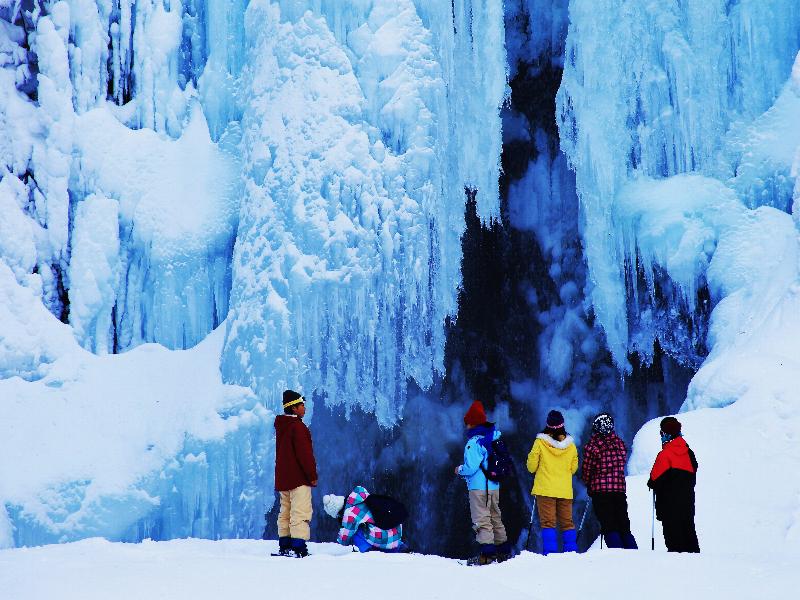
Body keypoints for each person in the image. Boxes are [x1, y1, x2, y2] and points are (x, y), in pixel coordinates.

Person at [454, 400, 511, 565]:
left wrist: (459, 469)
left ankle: (487, 556)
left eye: (467, 424)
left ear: (472, 423)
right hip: (493, 486)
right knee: (495, 517)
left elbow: (471, 467)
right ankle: (504, 552)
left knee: (481, 520)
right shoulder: (494, 437)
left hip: (479, 488)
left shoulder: (474, 443)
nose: (466, 427)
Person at [581, 412, 637, 549]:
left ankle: (617, 554)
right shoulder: (620, 444)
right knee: (623, 524)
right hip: (619, 490)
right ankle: (633, 553)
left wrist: (588, 483)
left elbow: (587, 469)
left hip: (601, 492)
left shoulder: (593, 446)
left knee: (609, 524)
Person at [526, 409, 578, 554]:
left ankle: (550, 554)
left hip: (545, 489)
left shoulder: (540, 443)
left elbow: (531, 467)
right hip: (564, 490)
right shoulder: (571, 445)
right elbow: (573, 469)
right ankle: (571, 552)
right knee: (567, 523)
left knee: (548, 523)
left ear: (547, 425)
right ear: (563, 425)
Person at [274, 389, 318, 557]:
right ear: (293, 408)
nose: (304, 409)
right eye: (301, 406)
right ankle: (299, 547)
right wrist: (312, 476)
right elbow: (305, 455)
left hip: (283, 478)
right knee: (300, 511)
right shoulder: (298, 427)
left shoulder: (282, 426)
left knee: (285, 511)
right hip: (298, 478)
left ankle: (284, 545)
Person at [647, 416, 700, 553]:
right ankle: (697, 565)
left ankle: (678, 570)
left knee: (674, 541)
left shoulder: (665, 455)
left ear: (666, 434)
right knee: (689, 533)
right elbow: (694, 469)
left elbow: (654, 479)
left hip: (669, 506)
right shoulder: (689, 453)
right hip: (687, 503)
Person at [323, 486, 408, 553]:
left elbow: (344, 539)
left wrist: (334, 548)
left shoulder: (350, 512)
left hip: (386, 539)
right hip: (396, 533)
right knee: (368, 525)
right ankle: (401, 547)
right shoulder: (362, 497)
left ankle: (368, 553)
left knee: (355, 533)